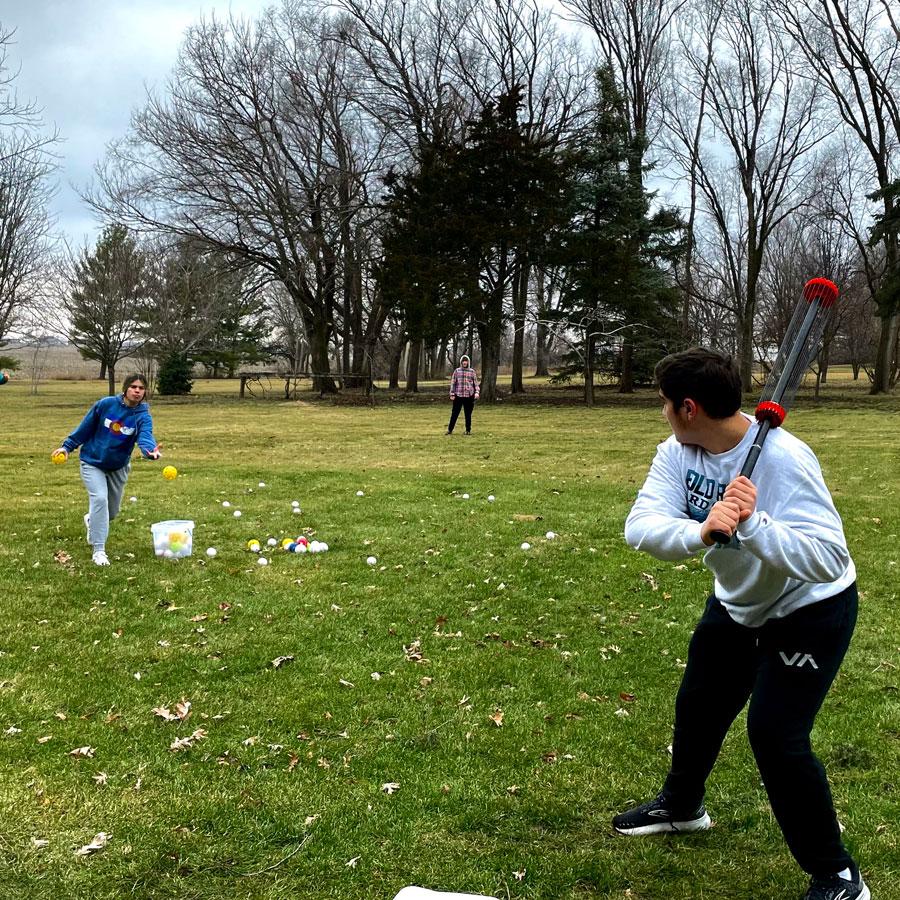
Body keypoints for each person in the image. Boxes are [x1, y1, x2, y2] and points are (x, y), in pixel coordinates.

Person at [616, 348, 867, 900]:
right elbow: (641, 526)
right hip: (737, 603)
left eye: (664, 403)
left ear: (688, 407)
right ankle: (682, 808)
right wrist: (701, 532)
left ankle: (838, 874)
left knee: (775, 734)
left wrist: (754, 525)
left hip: (809, 610)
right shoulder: (677, 453)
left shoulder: (784, 459)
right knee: (699, 704)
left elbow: (829, 558)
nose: (662, 413)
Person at [53, 374, 161, 566]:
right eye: (133, 387)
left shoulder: (143, 416)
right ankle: (99, 551)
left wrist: (149, 451)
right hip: (92, 461)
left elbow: (145, 436)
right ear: (126, 389)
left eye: (141, 388)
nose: (137, 391)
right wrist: (67, 447)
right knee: (100, 500)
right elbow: (85, 428)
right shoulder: (106, 404)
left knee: (110, 512)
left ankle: (92, 520)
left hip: (118, 466)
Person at [446, 355, 480, 435]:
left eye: (466, 361)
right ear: (461, 362)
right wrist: (452, 394)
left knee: (468, 414)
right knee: (454, 414)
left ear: (468, 362)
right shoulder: (457, 371)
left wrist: (477, 392)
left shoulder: (472, 372)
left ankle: (468, 430)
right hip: (458, 396)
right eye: (463, 361)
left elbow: (476, 384)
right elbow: (453, 383)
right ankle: (450, 430)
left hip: (469, 396)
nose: (465, 362)